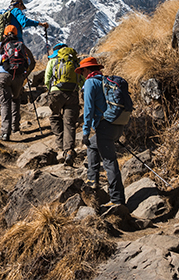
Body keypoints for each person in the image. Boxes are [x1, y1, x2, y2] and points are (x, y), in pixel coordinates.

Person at [80, 56, 126, 206]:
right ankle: (92, 181)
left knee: (109, 162)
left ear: (87, 69)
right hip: (117, 124)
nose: (81, 74)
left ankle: (117, 199)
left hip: (105, 126)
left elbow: (88, 109)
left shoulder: (90, 82)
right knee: (93, 146)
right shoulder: (105, 81)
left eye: (82, 71)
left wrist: (85, 131)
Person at [0, 24, 33, 141]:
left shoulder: (0, 45)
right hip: (18, 76)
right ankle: (15, 127)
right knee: (16, 99)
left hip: (3, 76)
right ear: (16, 34)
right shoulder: (20, 45)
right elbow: (27, 61)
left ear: (4, 34)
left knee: (5, 104)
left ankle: (5, 133)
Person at [44, 42, 83, 166]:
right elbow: (81, 79)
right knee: (69, 123)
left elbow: (46, 79)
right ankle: (69, 151)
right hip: (72, 93)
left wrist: (51, 90)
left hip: (56, 93)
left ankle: (60, 144)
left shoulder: (53, 61)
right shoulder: (75, 62)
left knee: (55, 116)